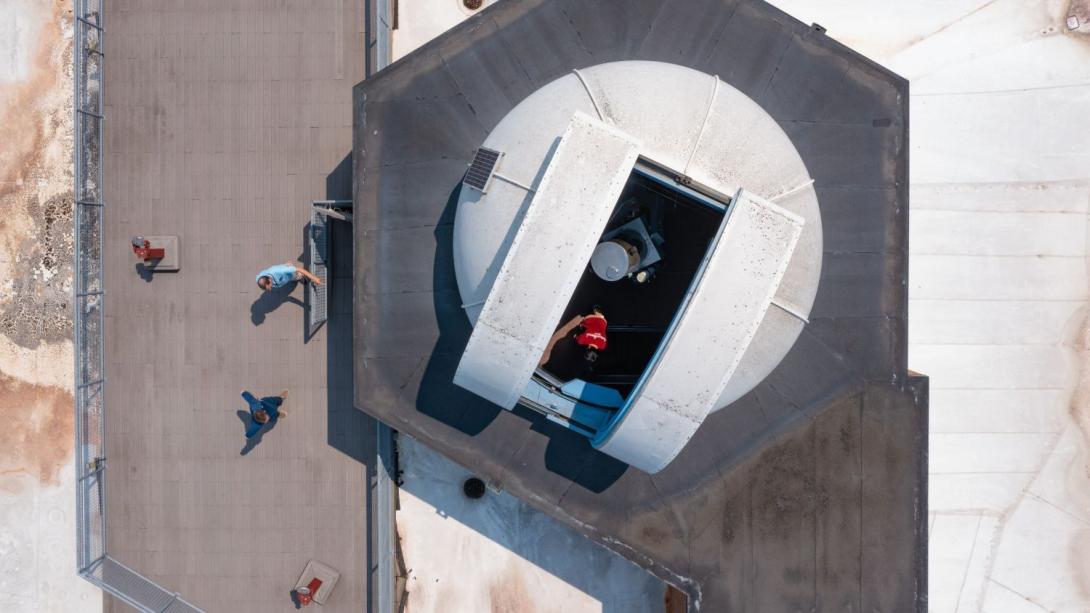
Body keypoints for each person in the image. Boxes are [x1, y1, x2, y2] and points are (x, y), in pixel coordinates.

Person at [539, 306, 608, 380]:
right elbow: (576, 336)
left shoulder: (603, 345)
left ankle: (598, 314)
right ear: (588, 348)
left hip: (604, 322)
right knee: (573, 332)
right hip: (588, 318)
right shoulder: (582, 341)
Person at [255, 262, 323, 291]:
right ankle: (288, 266)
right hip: (283, 277)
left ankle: (299, 276)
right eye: (267, 288)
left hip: (287, 274)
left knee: (296, 275)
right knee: (287, 273)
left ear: (269, 279)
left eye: (269, 286)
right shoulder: (259, 279)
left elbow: (299, 269)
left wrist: (315, 278)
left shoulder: (277, 271)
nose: (270, 289)